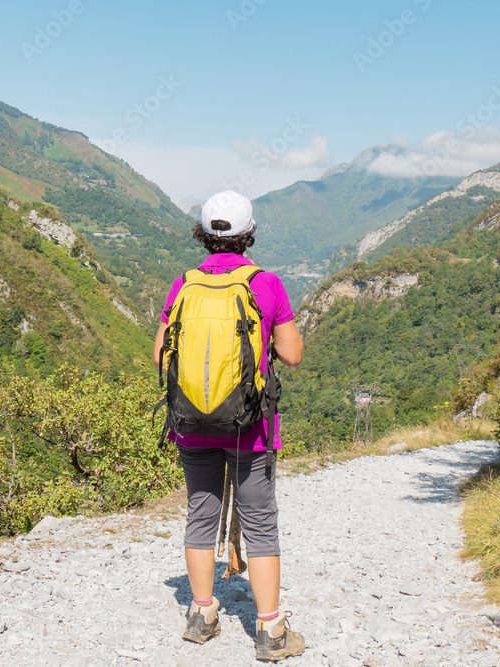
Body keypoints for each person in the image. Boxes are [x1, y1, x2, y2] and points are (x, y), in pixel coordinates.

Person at [153, 190, 306, 662]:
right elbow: (293, 355)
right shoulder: (266, 284)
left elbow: (160, 354)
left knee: (200, 514)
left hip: (191, 423)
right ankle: (270, 630)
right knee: (260, 521)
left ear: (203, 234)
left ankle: (202, 615)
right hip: (249, 428)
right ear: (249, 233)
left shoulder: (183, 285)